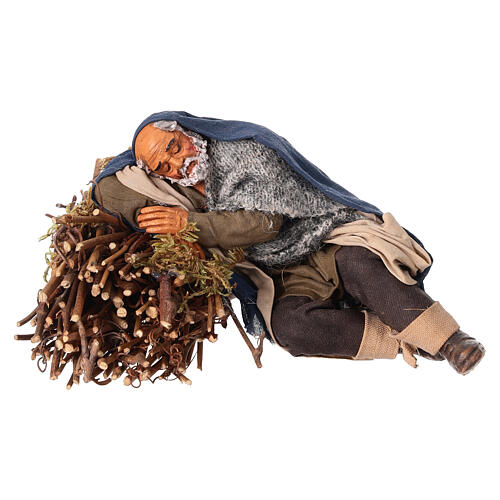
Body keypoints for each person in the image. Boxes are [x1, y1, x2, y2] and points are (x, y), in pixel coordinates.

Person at [93, 111, 485, 375]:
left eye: (175, 148)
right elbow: (111, 185)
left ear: (186, 131)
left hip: (325, 239)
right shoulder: (177, 186)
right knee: (289, 327)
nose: (177, 164)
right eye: (163, 167)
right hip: (281, 273)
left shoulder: (247, 151)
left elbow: (265, 223)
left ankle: (449, 340)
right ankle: (407, 340)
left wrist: (188, 224)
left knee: (362, 266)